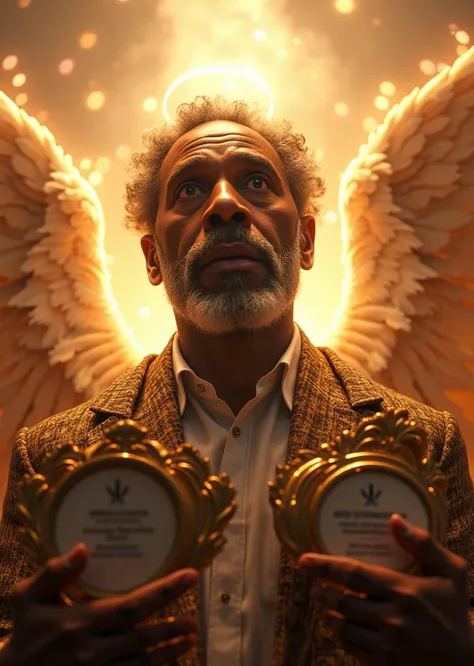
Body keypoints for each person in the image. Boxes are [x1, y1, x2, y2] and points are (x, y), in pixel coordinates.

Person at [0, 96, 473, 666]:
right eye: (190, 191)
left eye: (255, 182)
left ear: (305, 241)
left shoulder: (425, 446)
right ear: (152, 258)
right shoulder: (53, 455)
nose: (226, 206)